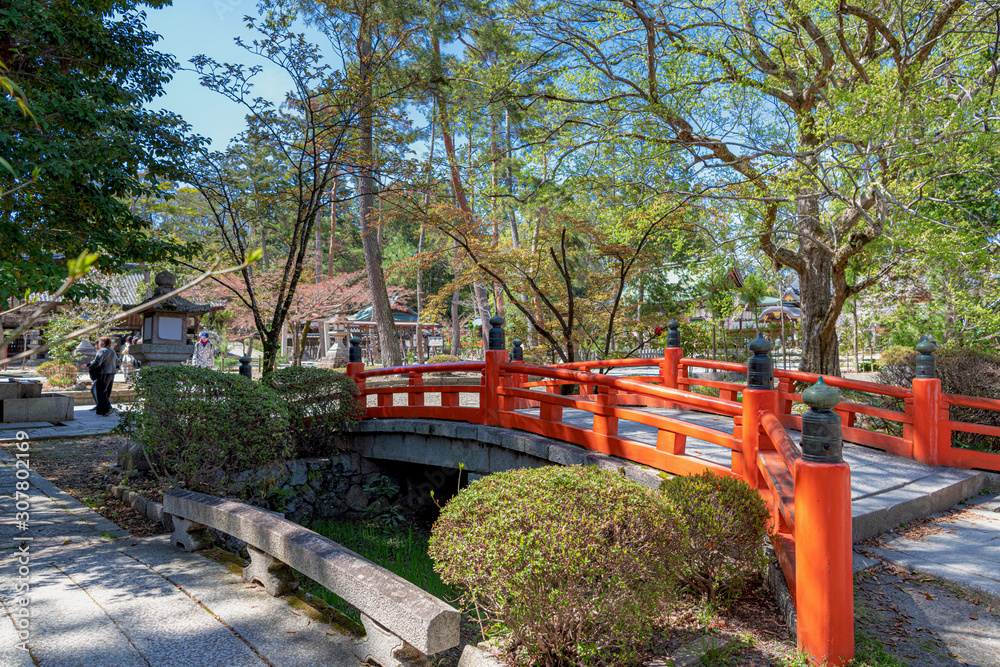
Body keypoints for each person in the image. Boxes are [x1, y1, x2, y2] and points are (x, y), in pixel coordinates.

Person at [88, 336, 119, 416]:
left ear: (104, 343)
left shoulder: (102, 351)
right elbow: (118, 363)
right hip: (111, 373)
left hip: (103, 373)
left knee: (101, 392)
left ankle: (108, 409)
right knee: (106, 391)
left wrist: (90, 367)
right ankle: (102, 410)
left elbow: (98, 363)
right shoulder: (112, 351)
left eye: (99, 342)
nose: (98, 343)